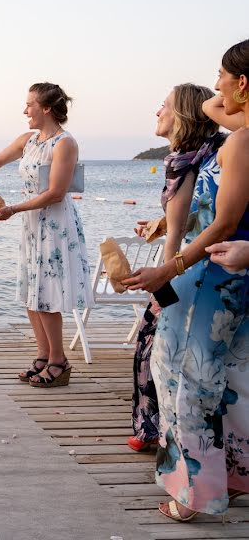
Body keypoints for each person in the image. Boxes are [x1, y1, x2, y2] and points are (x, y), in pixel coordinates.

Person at [123, 41, 249, 523]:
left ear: (243, 82)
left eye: (222, 76)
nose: (213, 89)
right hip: (228, 279)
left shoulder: (239, 142)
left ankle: (193, 495)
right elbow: (213, 107)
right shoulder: (242, 135)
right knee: (232, 379)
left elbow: (222, 224)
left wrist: (167, 269)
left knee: (182, 380)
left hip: (206, 277)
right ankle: (235, 478)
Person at [128, 84, 224, 452]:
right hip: (201, 265)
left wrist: (164, 280)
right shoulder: (209, 153)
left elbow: (185, 228)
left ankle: (156, 432)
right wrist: (162, 220)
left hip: (188, 269)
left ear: (182, 115)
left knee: (153, 349)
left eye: (163, 105)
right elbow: (198, 212)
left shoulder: (183, 159)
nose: (157, 112)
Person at [0, 82, 92, 388]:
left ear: (46, 108)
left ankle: (59, 361)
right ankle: (43, 356)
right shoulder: (28, 140)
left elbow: (56, 193)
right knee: (31, 290)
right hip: (31, 224)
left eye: (30, 104)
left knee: (48, 294)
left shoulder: (65, 144)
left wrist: (13, 209)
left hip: (54, 225)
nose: (25, 110)